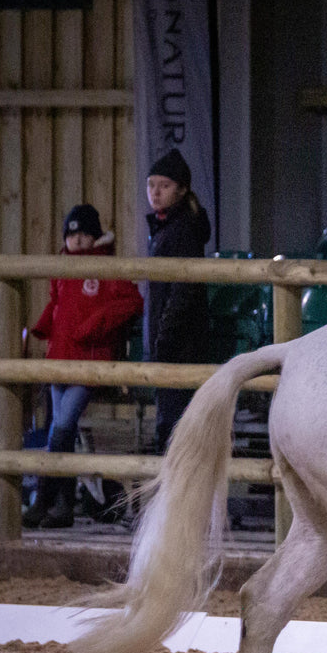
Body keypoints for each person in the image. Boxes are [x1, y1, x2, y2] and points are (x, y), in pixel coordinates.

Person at [24, 205, 143, 528]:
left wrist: (98, 322)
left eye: (83, 234)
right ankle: (55, 504)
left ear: (95, 236)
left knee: (62, 427)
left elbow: (132, 302)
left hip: (89, 361)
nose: (76, 239)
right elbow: (57, 301)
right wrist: (45, 324)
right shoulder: (61, 266)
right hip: (58, 358)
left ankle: (51, 501)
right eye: (71, 234)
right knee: (56, 431)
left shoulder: (106, 267)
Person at [144, 148, 212, 453]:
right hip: (167, 341)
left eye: (164, 186)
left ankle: (175, 497)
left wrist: (163, 339)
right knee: (170, 422)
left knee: (173, 426)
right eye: (151, 185)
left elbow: (182, 291)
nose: (155, 193)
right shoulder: (164, 228)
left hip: (178, 345)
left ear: (182, 190)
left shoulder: (182, 230)